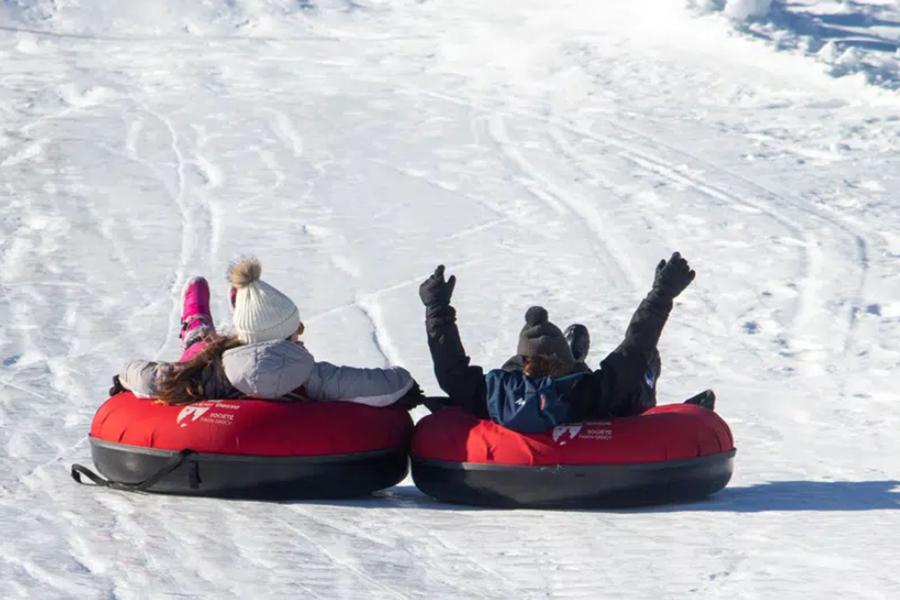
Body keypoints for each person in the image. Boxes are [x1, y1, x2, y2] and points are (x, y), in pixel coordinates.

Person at [418, 253, 714, 433]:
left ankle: (559, 355)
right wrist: (661, 295)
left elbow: (451, 370)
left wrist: (436, 308)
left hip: (514, 394)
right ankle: (575, 357)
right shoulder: (585, 392)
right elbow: (634, 350)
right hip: (581, 396)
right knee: (635, 377)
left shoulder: (498, 393)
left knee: (511, 371)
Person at [111, 257, 422, 407]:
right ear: (290, 335)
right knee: (202, 340)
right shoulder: (312, 377)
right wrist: (408, 387)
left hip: (221, 356)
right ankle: (209, 315)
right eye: (297, 329)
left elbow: (146, 376)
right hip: (237, 349)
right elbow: (386, 384)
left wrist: (123, 376)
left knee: (200, 344)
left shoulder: (206, 375)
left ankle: (201, 318)